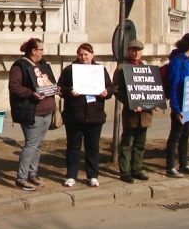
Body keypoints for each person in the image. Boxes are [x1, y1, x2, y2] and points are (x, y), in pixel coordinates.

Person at [57, 43, 113, 188]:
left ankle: (93, 176)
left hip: (95, 116)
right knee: (73, 147)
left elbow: (110, 88)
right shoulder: (69, 70)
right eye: (81, 54)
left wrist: (106, 93)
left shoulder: (100, 70)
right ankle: (71, 175)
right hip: (74, 116)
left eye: (86, 55)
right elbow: (60, 89)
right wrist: (70, 91)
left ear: (92, 55)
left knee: (93, 148)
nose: (83, 57)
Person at [8, 38, 58, 191]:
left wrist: (56, 89)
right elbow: (14, 87)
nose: (43, 52)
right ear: (33, 51)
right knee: (31, 145)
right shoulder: (20, 66)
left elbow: (48, 82)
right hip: (32, 112)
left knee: (39, 145)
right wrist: (31, 93)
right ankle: (21, 179)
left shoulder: (43, 64)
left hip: (47, 111)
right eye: (41, 49)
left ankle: (32, 174)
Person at [113, 39, 153, 183]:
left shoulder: (146, 68)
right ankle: (125, 171)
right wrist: (130, 102)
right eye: (133, 50)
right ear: (129, 51)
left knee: (140, 144)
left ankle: (137, 168)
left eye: (139, 50)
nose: (136, 53)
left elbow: (152, 88)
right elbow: (117, 89)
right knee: (127, 143)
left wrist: (154, 101)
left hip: (145, 114)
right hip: (131, 113)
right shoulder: (122, 68)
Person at [165, 33, 189, 178]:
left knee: (185, 135)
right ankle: (170, 167)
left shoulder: (188, 61)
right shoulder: (177, 61)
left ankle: (184, 163)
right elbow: (174, 85)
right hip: (179, 105)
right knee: (175, 135)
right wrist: (176, 109)